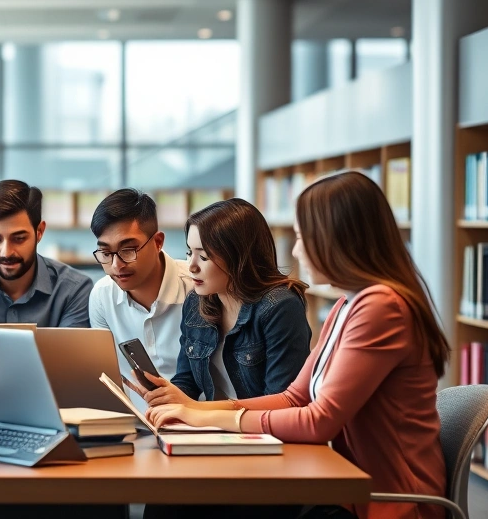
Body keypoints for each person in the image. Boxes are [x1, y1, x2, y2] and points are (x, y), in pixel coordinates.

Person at [142, 171, 449, 519]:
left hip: (386, 500)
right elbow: (294, 398)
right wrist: (195, 412)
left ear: (336, 240)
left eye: (304, 237)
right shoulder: (345, 305)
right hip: (344, 485)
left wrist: (206, 418)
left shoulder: (381, 307)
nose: (297, 249)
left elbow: (319, 421)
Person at [146, 198, 311, 402]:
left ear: (239, 257)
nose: (191, 266)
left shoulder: (280, 306)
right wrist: (164, 398)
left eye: (204, 257)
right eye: (190, 252)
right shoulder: (196, 303)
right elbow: (186, 380)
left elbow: (282, 402)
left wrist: (196, 411)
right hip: (215, 430)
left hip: (259, 432)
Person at [87, 189, 193, 408]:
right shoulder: (101, 296)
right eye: (106, 253)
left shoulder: (196, 287)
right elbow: (108, 376)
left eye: (128, 250)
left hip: (199, 425)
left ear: (158, 242)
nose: (116, 266)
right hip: (137, 426)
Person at [0, 180, 93, 327]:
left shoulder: (74, 290)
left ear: (39, 232)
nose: (6, 252)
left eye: (19, 238)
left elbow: (69, 350)